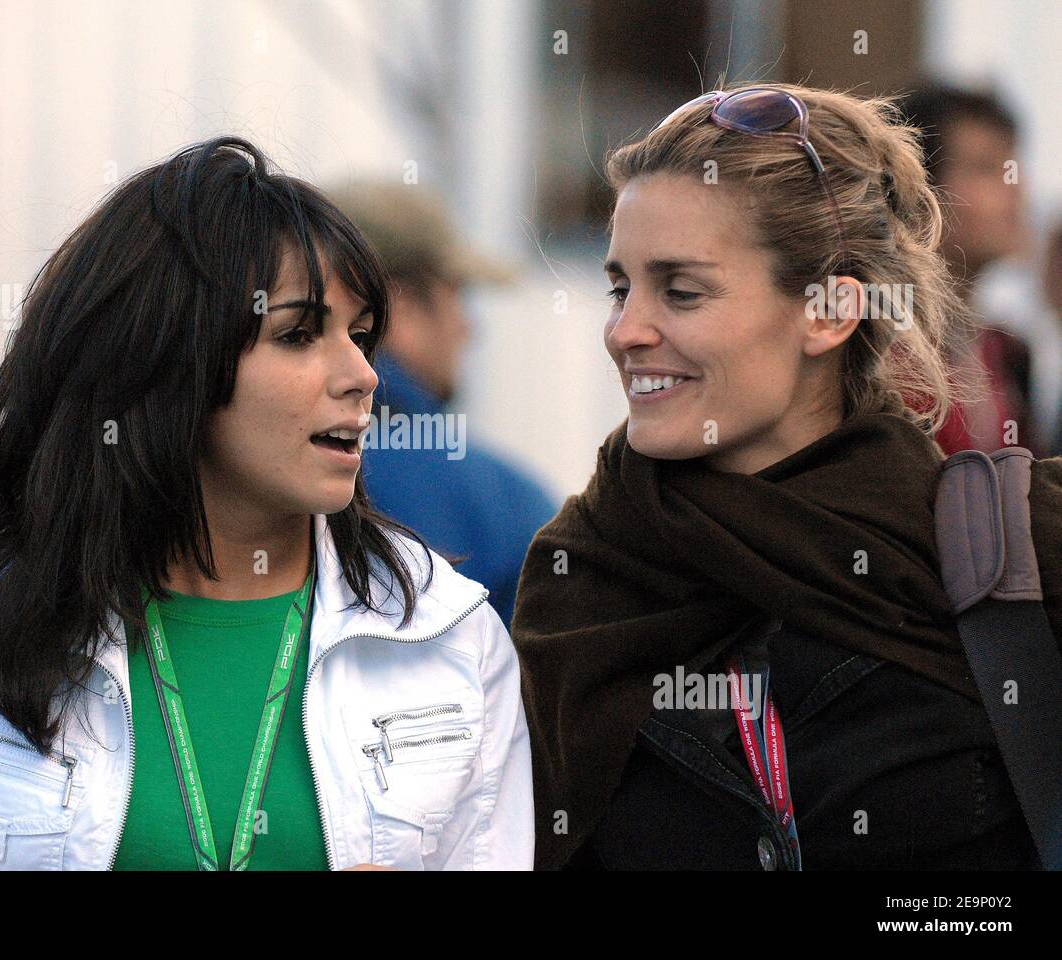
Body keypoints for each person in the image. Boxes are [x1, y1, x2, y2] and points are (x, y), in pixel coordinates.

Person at [0, 137, 533, 871]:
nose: (361, 375)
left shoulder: (451, 638)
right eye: (298, 334)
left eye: (359, 336)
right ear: (169, 362)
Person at [511, 84, 1062, 870]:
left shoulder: (1017, 551)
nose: (625, 331)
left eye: (682, 289)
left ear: (830, 311)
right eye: (619, 286)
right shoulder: (579, 582)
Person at [328, 182, 558, 629]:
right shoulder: (506, 502)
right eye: (456, 294)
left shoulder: (242, 472)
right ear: (398, 304)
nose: (468, 328)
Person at [900, 85, 1037, 455]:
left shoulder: (1007, 353)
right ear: (921, 194)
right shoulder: (878, 354)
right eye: (986, 168)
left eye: (1012, 166)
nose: (1016, 189)